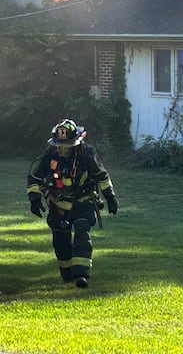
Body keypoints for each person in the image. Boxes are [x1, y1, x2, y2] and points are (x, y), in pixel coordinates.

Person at [27, 119, 118, 288]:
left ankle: (81, 274)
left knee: (82, 229)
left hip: (83, 199)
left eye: (67, 145)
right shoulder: (50, 153)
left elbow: (102, 176)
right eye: (60, 145)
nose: (63, 148)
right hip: (58, 202)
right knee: (60, 237)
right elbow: (35, 178)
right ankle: (67, 274)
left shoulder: (87, 153)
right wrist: (34, 199)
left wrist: (110, 196)